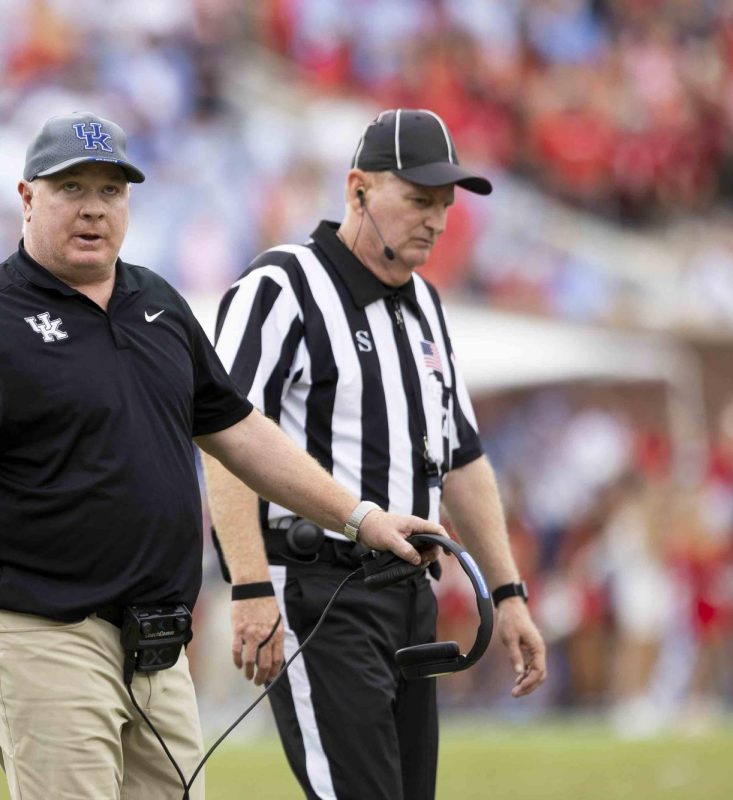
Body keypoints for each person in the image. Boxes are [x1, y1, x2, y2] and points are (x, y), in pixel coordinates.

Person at [0, 112, 449, 800]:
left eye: (111, 191)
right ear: (27, 198)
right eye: (71, 188)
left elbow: (240, 433)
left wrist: (360, 516)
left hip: (156, 642)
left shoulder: (159, 304)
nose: (93, 208)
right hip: (45, 633)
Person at [204, 108, 548, 800]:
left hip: (409, 594)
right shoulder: (280, 287)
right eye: (419, 199)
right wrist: (248, 586)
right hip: (318, 588)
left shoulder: (424, 302)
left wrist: (508, 594)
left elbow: (463, 459)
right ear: (358, 188)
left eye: (445, 204)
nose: (437, 220)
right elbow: (223, 438)